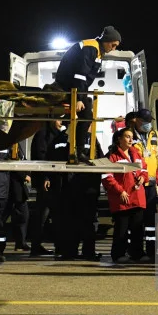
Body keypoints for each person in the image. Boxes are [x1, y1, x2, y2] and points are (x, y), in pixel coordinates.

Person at [51, 26, 121, 161]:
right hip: (67, 87)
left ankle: (78, 149)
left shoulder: (98, 51)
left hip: (73, 87)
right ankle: (78, 150)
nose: (114, 48)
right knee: (87, 113)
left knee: (86, 112)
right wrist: (78, 99)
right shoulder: (91, 48)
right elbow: (80, 76)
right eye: (113, 45)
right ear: (106, 40)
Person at [126, 108, 158, 261]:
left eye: (149, 121)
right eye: (145, 121)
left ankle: (152, 252)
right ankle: (136, 252)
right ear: (136, 120)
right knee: (137, 219)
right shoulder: (129, 135)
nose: (148, 124)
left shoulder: (154, 134)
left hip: (150, 182)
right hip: (136, 183)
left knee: (151, 220)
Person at [99, 128, 147, 268]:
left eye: (131, 137)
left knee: (138, 229)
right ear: (119, 139)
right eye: (127, 137)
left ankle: (137, 253)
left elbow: (144, 168)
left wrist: (142, 178)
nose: (131, 140)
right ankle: (119, 254)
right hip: (122, 199)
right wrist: (120, 191)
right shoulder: (112, 156)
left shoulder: (136, 153)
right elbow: (107, 177)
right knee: (122, 229)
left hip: (137, 196)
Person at [28, 118, 68, 257]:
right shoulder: (43, 135)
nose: (61, 122)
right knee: (44, 215)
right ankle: (37, 246)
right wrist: (45, 177)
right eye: (59, 119)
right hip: (46, 182)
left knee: (46, 215)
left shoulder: (56, 134)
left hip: (53, 180)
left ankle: (42, 246)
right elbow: (41, 157)